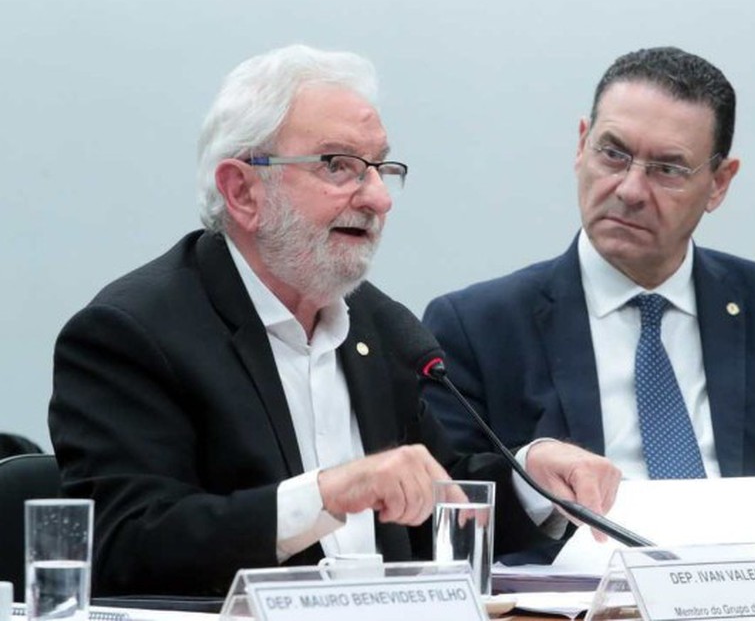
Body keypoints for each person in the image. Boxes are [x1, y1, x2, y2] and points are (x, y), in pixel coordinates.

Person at [48, 44, 622, 597]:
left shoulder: (377, 325)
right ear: (242, 191)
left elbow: (432, 490)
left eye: (380, 168)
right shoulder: (130, 333)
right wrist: (324, 496)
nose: (378, 198)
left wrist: (532, 480)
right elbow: (126, 543)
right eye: (339, 166)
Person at [422, 46, 755, 543]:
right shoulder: (477, 326)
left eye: (668, 169)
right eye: (612, 153)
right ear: (580, 145)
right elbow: (443, 520)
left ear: (719, 183)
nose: (631, 189)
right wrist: (531, 481)